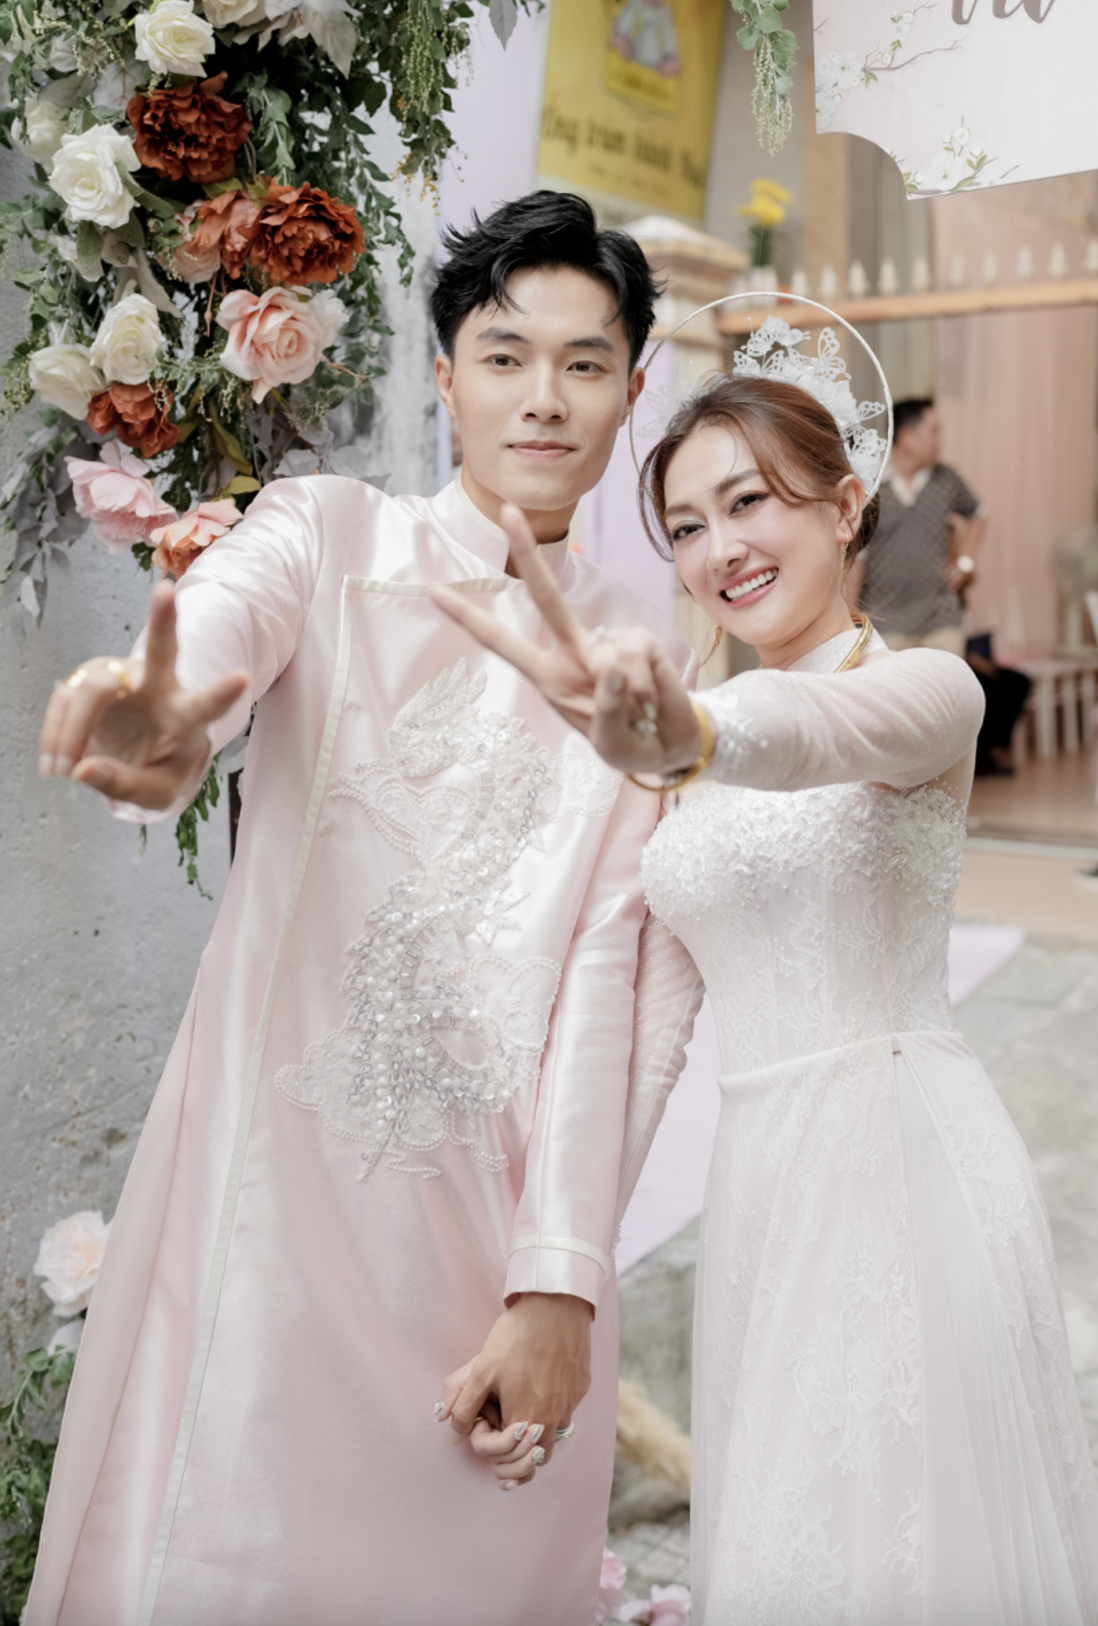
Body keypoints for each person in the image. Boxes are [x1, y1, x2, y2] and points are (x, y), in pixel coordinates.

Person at [27, 191, 695, 1626]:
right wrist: (156, 715)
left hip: (497, 1247)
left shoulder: (638, 656)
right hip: (273, 1212)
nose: (543, 396)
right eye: (505, 355)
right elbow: (214, 642)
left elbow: (611, 985)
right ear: (444, 375)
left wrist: (561, 1281)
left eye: (585, 363)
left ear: (632, 391)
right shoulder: (329, 535)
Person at [435, 371, 1098, 1623]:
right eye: (686, 526)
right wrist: (552, 1286)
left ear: (846, 508)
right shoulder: (691, 762)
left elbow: (807, 733)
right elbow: (645, 1052)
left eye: (750, 503)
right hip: (763, 1197)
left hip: (905, 1166)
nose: (719, 549)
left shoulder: (928, 695)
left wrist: (692, 733)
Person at [858, 396, 986, 656]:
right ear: (907, 437)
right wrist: (849, 624)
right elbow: (854, 558)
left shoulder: (946, 479)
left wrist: (965, 563)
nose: (940, 441)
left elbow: (979, 514)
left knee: (949, 684)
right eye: (934, 432)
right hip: (885, 624)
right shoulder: (869, 484)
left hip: (942, 622)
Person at [965, 630, 1032, 776]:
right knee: (990, 688)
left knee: (1019, 682)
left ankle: (995, 745)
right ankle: (982, 752)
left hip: (976, 662)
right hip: (958, 664)